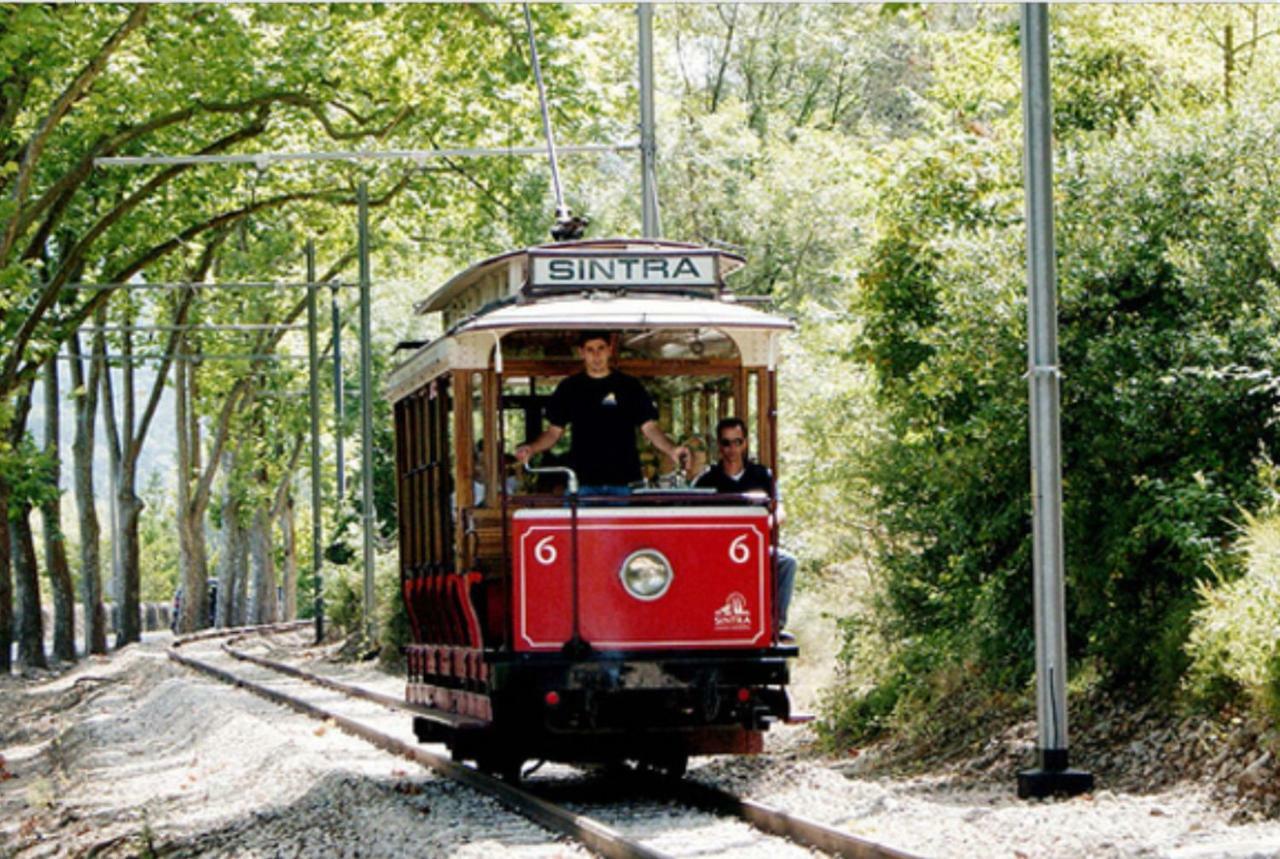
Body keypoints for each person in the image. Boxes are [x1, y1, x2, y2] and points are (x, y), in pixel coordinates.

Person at [514, 331, 688, 496]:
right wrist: (532, 448)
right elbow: (553, 432)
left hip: (624, 483)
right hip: (582, 484)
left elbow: (650, 428)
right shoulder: (569, 388)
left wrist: (672, 450)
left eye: (600, 348)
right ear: (582, 352)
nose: (596, 356)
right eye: (590, 350)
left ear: (610, 350)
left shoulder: (630, 386)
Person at [695, 417, 798, 644]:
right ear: (719, 446)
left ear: (745, 443)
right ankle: (697, 623)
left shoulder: (762, 475)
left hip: (754, 549)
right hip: (716, 553)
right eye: (726, 443)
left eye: (737, 442)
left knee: (787, 562)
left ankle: (774, 625)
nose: (732, 449)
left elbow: (779, 509)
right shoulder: (706, 480)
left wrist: (768, 522)